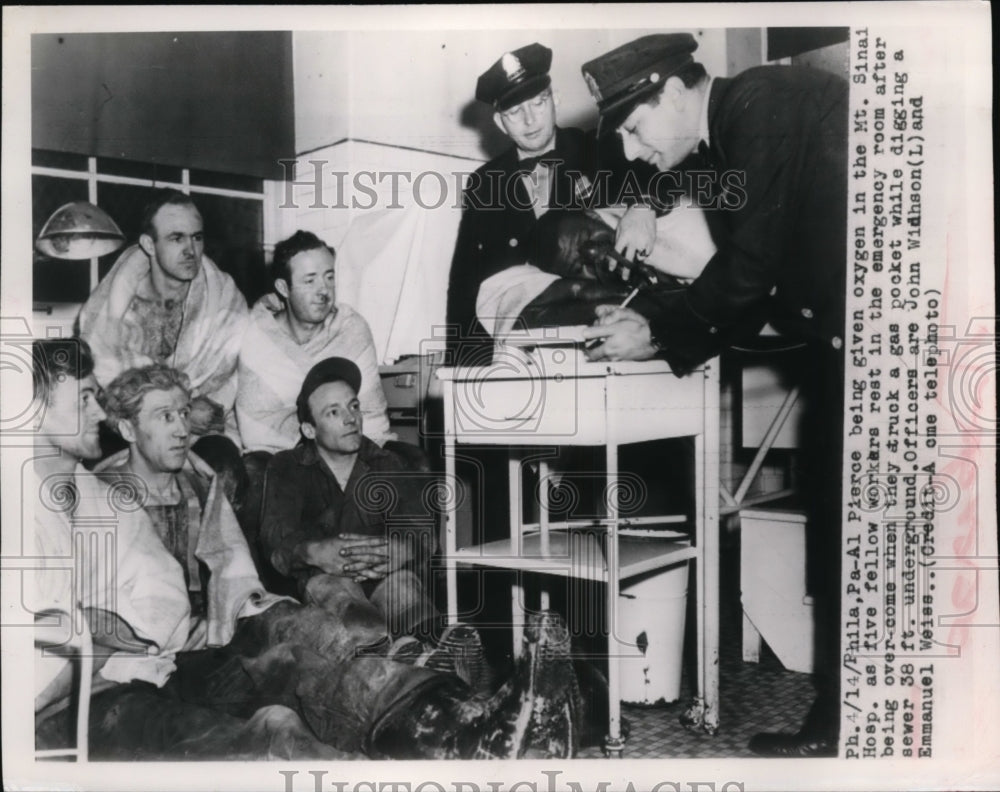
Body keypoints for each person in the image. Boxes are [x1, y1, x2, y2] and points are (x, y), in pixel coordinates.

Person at [34, 351, 582, 760]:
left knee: (312, 645)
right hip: (152, 660)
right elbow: (273, 544)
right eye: (164, 418)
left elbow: (229, 568)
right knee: (285, 689)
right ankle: (429, 707)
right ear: (129, 429)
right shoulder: (100, 492)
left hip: (219, 628)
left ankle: (463, 716)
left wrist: (221, 614)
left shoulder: (200, 484)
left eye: (183, 415)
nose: (181, 429)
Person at [580, 33, 848, 756]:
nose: (633, 150)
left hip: (865, 344)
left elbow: (750, 266)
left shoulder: (759, 102)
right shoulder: (734, 123)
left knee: (849, 529)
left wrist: (657, 333)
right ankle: (839, 723)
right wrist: (642, 211)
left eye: (634, 129)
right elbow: (701, 196)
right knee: (839, 527)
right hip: (839, 344)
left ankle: (845, 726)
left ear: (671, 92)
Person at [30, 339, 337, 760]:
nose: (98, 413)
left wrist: (104, 631)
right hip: (75, 701)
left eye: (183, 415)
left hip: (155, 661)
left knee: (292, 666)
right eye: (84, 398)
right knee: (256, 739)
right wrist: (94, 637)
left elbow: (162, 589)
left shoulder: (102, 495)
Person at [446, 42, 658, 365]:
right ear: (501, 123)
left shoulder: (598, 149)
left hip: (600, 341)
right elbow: (464, 284)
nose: (530, 120)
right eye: (515, 112)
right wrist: (464, 371)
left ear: (555, 99)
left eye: (539, 103)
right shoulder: (484, 184)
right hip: (517, 352)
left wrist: (644, 205)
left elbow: (664, 170)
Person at [259, 357, 440, 643]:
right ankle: (381, 655)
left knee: (407, 594)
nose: (350, 418)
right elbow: (274, 539)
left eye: (353, 406)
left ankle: (436, 655)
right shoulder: (287, 467)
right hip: (325, 582)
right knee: (343, 600)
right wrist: (312, 552)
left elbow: (422, 531)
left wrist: (404, 549)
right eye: (333, 412)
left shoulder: (388, 463)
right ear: (309, 430)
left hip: (387, 577)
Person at [78, 188, 248, 445]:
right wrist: (176, 411)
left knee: (225, 461)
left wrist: (204, 410)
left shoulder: (224, 297)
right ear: (149, 244)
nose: (191, 250)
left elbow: (234, 376)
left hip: (201, 433)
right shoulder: (110, 308)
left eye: (197, 238)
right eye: (176, 238)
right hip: (127, 433)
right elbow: (102, 381)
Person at [236, 230, 395, 454]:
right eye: (310, 281)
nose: (324, 291)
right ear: (283, 288)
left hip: (347, 451)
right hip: (277, 456)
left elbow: (372, 415)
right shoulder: (257, 335)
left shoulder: (351, 330)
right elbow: (258, 426)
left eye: (329, 277)